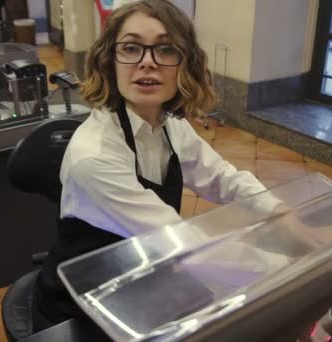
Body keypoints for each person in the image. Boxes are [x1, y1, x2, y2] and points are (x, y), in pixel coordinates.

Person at [33, 0, 285, 331]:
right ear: (111, 61)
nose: (148, 63)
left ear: (185, 64)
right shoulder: (93, 157)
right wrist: (280, 266)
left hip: (141, 278)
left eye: (165, 50)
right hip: (81, 309)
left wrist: (281, 212)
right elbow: (179, 240)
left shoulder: (170, 124)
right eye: (131, 47)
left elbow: (222, 179)